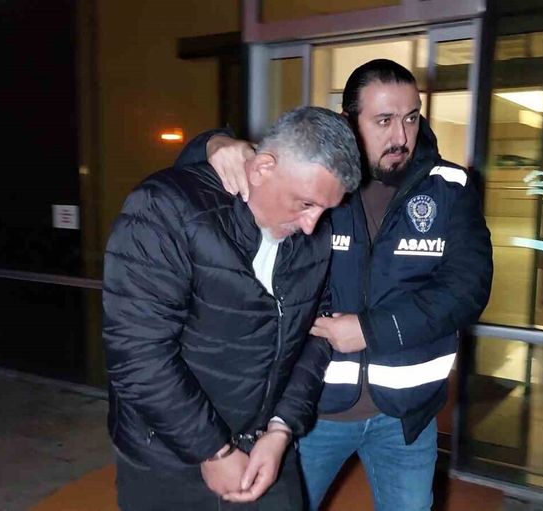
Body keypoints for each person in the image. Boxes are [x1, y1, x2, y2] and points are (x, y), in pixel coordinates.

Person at [189, 59, 493, 511]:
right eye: (384, 120)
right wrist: (212, 145)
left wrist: (371, 329)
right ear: (349, 120)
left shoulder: (450, 187)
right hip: (309, 412)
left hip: (406, 417)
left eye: (411, 118)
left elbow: (468, 289)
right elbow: (200, 185)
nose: (401, 136)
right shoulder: (318, 180)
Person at [102, 106, 361, 511]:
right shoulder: (165, 208)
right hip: (167, 455)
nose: (313, 224)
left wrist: (281, 429)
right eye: (305, 204)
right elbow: (137, 353)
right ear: (263, 168)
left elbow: (315, 334)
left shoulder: (313, 236)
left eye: (325, 210)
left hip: (265, 445)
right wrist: (214, 451)